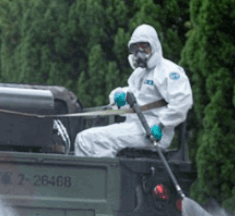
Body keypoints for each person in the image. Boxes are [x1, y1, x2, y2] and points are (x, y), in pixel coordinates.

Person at [74, 24, 192, 157]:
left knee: (88, 140)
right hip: (136, 126)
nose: (139, 51)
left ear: (154, 45)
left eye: (144, 46)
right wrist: (118, 98)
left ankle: (106, 176)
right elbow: (134, 97)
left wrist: (161, 125)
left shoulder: (170, 71)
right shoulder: (140, 74)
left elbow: (182, 102)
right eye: (135, 48)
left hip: (153, 131)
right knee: (84, 139)